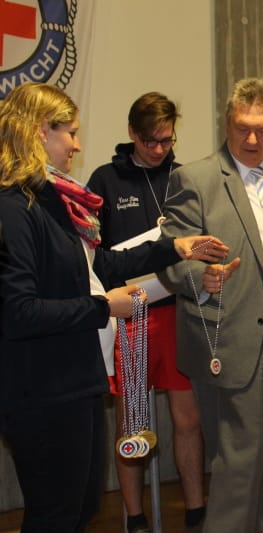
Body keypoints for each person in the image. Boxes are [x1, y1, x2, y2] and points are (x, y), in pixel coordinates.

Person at [0, 82, 227, 533]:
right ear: (40, 131)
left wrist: (174, 247)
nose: (77, 144)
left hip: (76, 380)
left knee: (82, 507)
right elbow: (18, 312)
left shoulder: (53, 201)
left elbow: (102, 263)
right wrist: (104, 306)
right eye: (70, 132)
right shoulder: (13, 208)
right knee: (55, 514)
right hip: (41, 390)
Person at [157, 78, 263, 532]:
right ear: (227, 122)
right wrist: (201, 276)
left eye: (262, 130)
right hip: (230, 336)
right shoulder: (196, 180)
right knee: (239, 464)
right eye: (242, 128)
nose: (252, 139)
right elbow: (171, 259)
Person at [87, 92, 206, 533]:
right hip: (131, 315)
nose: (158, 149)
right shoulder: (105, 180)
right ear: (132, 134)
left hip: (178, 311)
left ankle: (196, 511)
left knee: (188, 418)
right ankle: (135, 518)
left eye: (167, 140)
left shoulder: (184, 177)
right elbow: (95, 258)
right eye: (150, 141)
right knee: (132, 424)